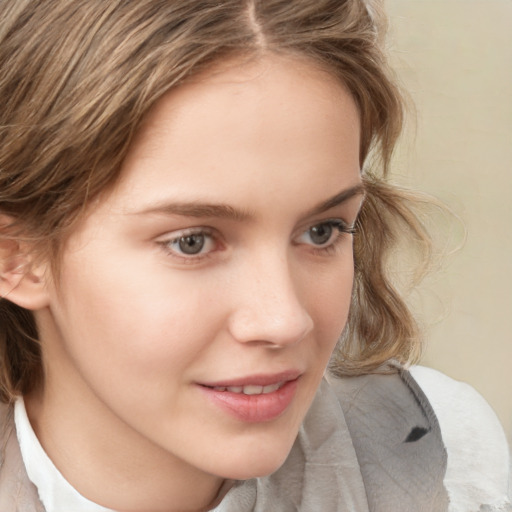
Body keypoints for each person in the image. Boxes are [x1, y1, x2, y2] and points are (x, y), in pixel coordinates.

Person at [0, 1, 509, 511]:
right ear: (15, 257)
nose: (285, 320)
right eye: (192, 242)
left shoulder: (443, 455)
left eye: (321, 231)